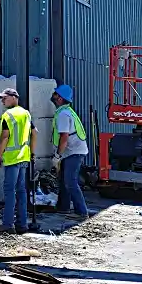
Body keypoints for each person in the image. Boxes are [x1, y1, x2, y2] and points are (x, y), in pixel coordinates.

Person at [0, 87, 37, 234]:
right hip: (24, 158)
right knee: (21, 191)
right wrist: (32, 152)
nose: (2, 101)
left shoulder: (8, 115)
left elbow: (5, 137)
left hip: (12, 159)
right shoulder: (26, 113)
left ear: (14, 97)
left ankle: (8, 225)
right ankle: (22, 224)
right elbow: (34, 133)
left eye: (4, 98)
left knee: (9, 191)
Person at [51, 84, 89, 219]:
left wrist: (57, 156)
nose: (53, 96)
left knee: (70, 181)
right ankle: (63, 208)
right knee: (64, 180)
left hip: (74, 151)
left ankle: (82, 212)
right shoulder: (67, 111)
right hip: (73, 151)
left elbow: (64, 137)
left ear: (60, 98)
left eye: (55, 94)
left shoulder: (63, 114)